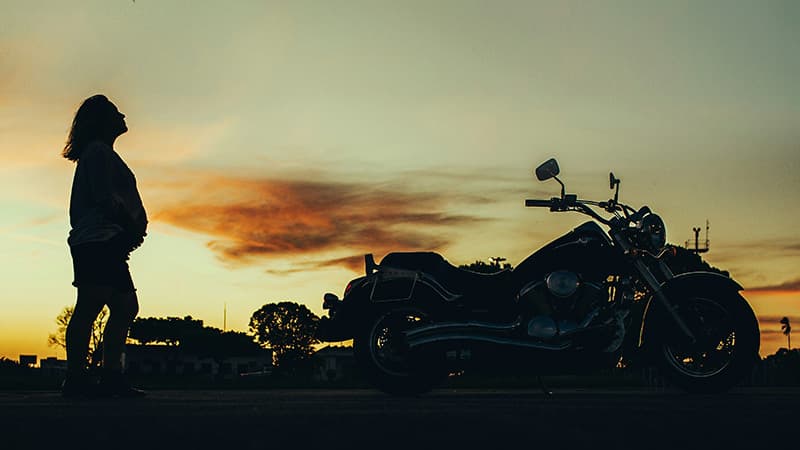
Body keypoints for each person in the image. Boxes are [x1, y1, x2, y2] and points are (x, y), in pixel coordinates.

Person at [60, 94, 148, 398]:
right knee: (90, 305)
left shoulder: (103, 153)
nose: (123, 115)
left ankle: (110, 376)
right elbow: (103, 197)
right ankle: (76, 379)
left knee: (125, 307)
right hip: (98, 240)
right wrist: (129, 223)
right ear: (102, 120)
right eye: (115, 112)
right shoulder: (98, 153)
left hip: (106, 240)